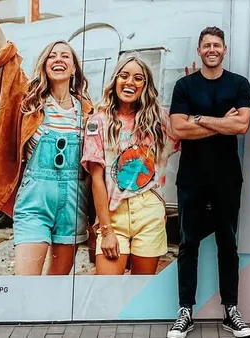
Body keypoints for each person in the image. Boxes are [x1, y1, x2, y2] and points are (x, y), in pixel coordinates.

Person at [0, 0, 93, 275]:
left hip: (73, 203)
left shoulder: (88, 110)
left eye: (65, 56)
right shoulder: (29, 100)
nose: (58, 60)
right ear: (44, 64)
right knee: (27, 285)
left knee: (57, 285)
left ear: (74, 68)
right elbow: (6, 56)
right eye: (52, 56)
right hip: (34, 199)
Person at [167, 26, 250, 338]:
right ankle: (184, 311)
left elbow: (242, 125)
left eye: (217, 45)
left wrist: (200, 119)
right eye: (207, 45)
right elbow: (178, 129)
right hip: (191, 175)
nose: (212, 49)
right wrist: (222, 123)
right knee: (188, 243)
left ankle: (231, 309)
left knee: (227, 243)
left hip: (227, 176)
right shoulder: (184, 86)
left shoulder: (239, 84)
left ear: (224, 49)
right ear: (199, 51)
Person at [80, 55, 179, 275]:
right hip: (113, 213)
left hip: (149, 210)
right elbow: (97, 179)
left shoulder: (159, 120)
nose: (130, 82)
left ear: (145, 85)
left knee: (139, 293)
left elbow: (187, 132)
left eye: (138, 78)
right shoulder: (99, 121)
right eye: (124, 76)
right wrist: (105, 231)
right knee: (106, 292)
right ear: (115, 80)